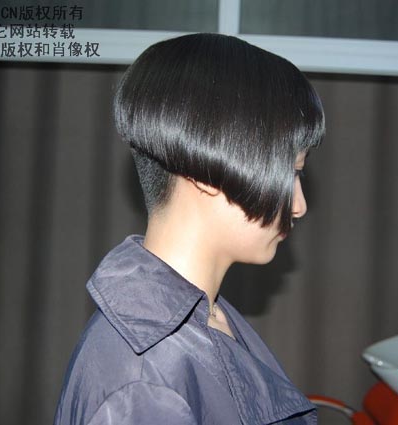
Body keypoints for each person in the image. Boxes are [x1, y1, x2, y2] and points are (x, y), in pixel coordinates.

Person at [54, 32, 325, 425]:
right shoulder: (147, 383)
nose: (299, 205)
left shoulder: (204, 317)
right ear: (207, 168)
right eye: (290, 172)